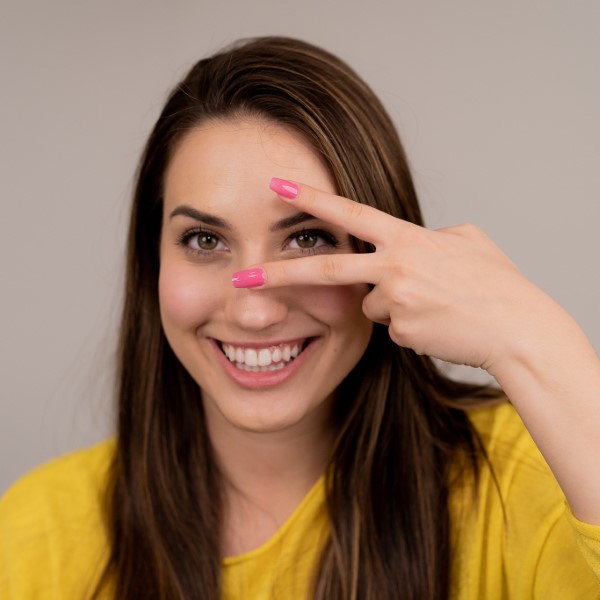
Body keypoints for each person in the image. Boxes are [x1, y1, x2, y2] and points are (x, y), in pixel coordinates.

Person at [1, 36, 599, 600]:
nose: (254, 311)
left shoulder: (527, 475)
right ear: (150, 261)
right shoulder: (36, 531)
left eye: (307, 238)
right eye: (205, 240)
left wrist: (532, 336)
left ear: (387, 256)